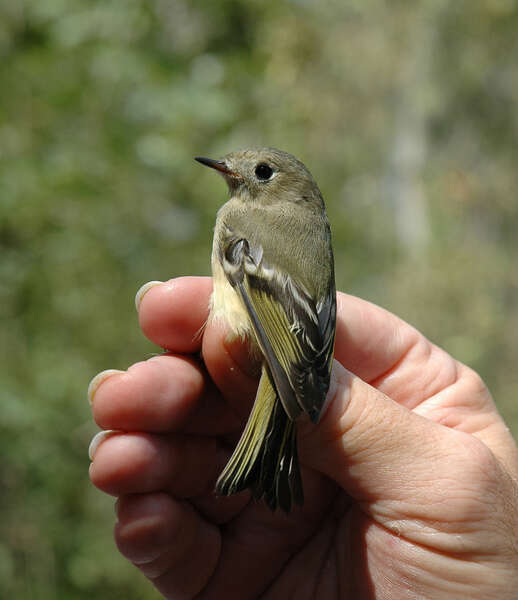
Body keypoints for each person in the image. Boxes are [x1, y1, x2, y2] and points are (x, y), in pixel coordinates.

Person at [88, 276, 518, 599]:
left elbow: (270, 315)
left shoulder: (240, 222)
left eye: (261, 172)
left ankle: (259, 458)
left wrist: (300, 374)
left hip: (281, 355)